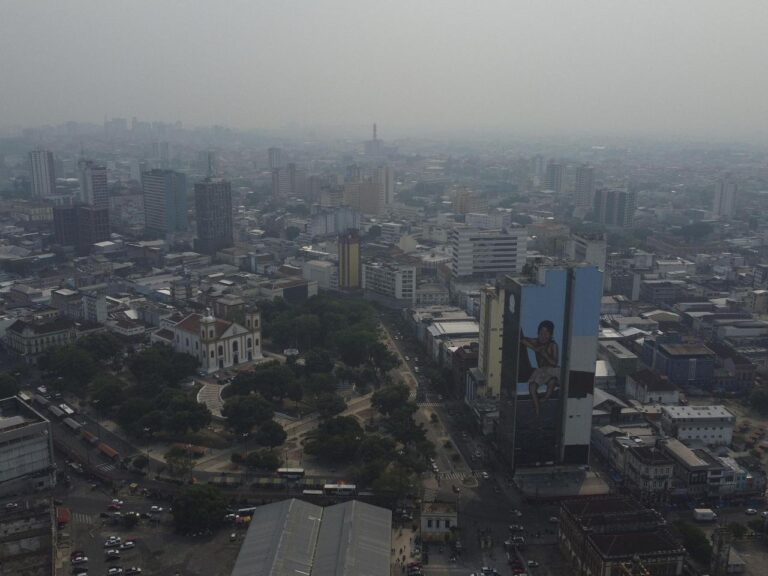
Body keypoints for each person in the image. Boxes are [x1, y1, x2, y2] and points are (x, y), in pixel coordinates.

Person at [521, 320, 559, 417]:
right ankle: (537, 409)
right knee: (532, 386)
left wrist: (545, 355)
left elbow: (554, 363)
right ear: (538, 333)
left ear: (551, 335)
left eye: (547, 333)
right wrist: (535, 349)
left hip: (552, 370)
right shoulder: (536, 342)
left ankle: (546, 398)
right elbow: (522, 340)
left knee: (552, 381)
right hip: (542, 371)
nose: (543, 336)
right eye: (541, 333)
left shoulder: (553, 345)